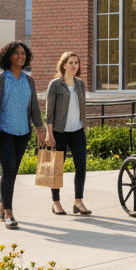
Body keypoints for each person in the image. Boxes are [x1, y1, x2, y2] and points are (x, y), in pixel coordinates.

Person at [0, 41, 49, 230]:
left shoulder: (29, 81)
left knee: (13, 173)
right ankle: (8, 214)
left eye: (23, 53)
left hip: (22, 133)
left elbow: (34, 107)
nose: (20, 56)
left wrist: (40, 130)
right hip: (3, 133)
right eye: (16, 53)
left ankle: (1, 207)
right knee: (8, 172)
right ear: (8, 56)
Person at [45, 52, 91, 216]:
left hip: (77, 131)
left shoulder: (80, 84)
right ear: (64, 65)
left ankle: (78, 202)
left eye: (76, 63)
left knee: (81, 167)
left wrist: (83, 126)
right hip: (59, 132)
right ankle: (56, 202)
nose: (74, 66)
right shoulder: (55, 85)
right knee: (56, 168)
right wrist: (49, 135)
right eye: (70, 62)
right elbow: (49, 113)